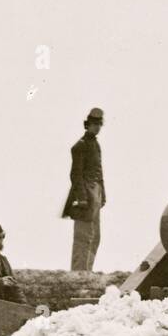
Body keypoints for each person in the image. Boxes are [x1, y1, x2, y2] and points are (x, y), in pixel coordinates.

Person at [62, 108, 106, 271]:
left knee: (95, 236)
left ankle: (87, 270)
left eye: (99, 124)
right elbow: (76, 174)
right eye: (94, 124)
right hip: (85, 194)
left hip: (96, 193)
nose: (97, 127)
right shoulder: (79, 146)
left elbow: (99, 171)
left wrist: (103, 195)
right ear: (87, 125)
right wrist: (82, 198)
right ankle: (78, 271)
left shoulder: (96, 144)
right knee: (83, 236)